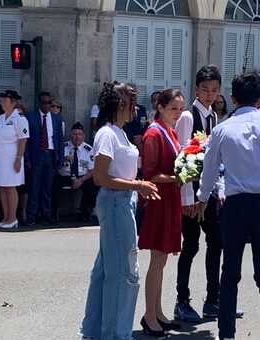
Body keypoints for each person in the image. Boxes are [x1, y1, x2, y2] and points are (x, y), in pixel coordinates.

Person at [196, 71, 260, 340]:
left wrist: (203, 197)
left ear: (231, 97)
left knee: (229, 273)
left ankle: (227, 334)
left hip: (235, 204)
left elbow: (209, 171)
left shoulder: (221, 129)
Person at [78, 81, 158, 340]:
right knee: (124, 272)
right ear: (121, 104)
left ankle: (92, 331)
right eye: (131, 101)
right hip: (116, 201)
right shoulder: (108, 134)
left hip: (122, 201)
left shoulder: (118, 133)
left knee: (104, 270)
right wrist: (139, 184)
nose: (135, 107)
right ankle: (115, 334)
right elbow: (100, 177)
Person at [174, 64, 232, 323]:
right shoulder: (188, 117)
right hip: (191, 195)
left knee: (216, 244)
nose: (210, 95)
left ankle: (212, 299)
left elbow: (216, 160)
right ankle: (182, 300)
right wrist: (188, 199)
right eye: (206, 89)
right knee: (191, 246)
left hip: (208, 193)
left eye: (215, 90)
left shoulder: (214, 118)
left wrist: (218, 190)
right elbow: (183, 158)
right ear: (196, 89)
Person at [138, 88, 184, 336]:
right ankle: (148, 315)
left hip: (170, 197)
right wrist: (180, 176)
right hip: (158, 198)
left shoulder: (171, 131)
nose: (177, 113)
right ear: (160, 108)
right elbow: (151, 173)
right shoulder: (153, 134)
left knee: (163, 259)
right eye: (172, 108)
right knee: (157, 259)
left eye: (179, 109)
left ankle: (157, 311)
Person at [24, 91, 64, 226]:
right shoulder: (31, 117)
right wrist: (27, 158)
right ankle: (31, 215)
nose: (46, 105)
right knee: (34, 187)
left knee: (47, 187)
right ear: (39, 103)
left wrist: (60, 159)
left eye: (49, 103)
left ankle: (46, 214)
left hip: (50, 155)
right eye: (44, 103)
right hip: (36, 155)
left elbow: (59, 139)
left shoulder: (56, 119)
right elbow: (27, 140)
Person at [0, 90, 29, 229]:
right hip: (0, 155)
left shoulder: (19, 118)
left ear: (13, 102)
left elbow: (23, 140)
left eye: (5, 100)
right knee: (2, 187)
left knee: (10, 187)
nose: (2, 102)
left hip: (12, 155)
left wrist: (18, 159)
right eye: (2, 100)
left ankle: (13, 218)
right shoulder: (1, 118)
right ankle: (5, 217)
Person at [52, 122, 96, 221]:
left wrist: (81, 180)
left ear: (83, 136)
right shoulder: (63, 147)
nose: (77, 137)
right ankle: (53, 214)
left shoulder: (89, 149)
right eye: (75, 134)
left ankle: (83, 213)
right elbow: (55, 166)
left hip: (82, 176)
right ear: (70, 135)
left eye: (80, 134)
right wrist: (63, 159)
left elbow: (93, 170)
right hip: (65, 176)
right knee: (53, 185)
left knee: (91, 186)